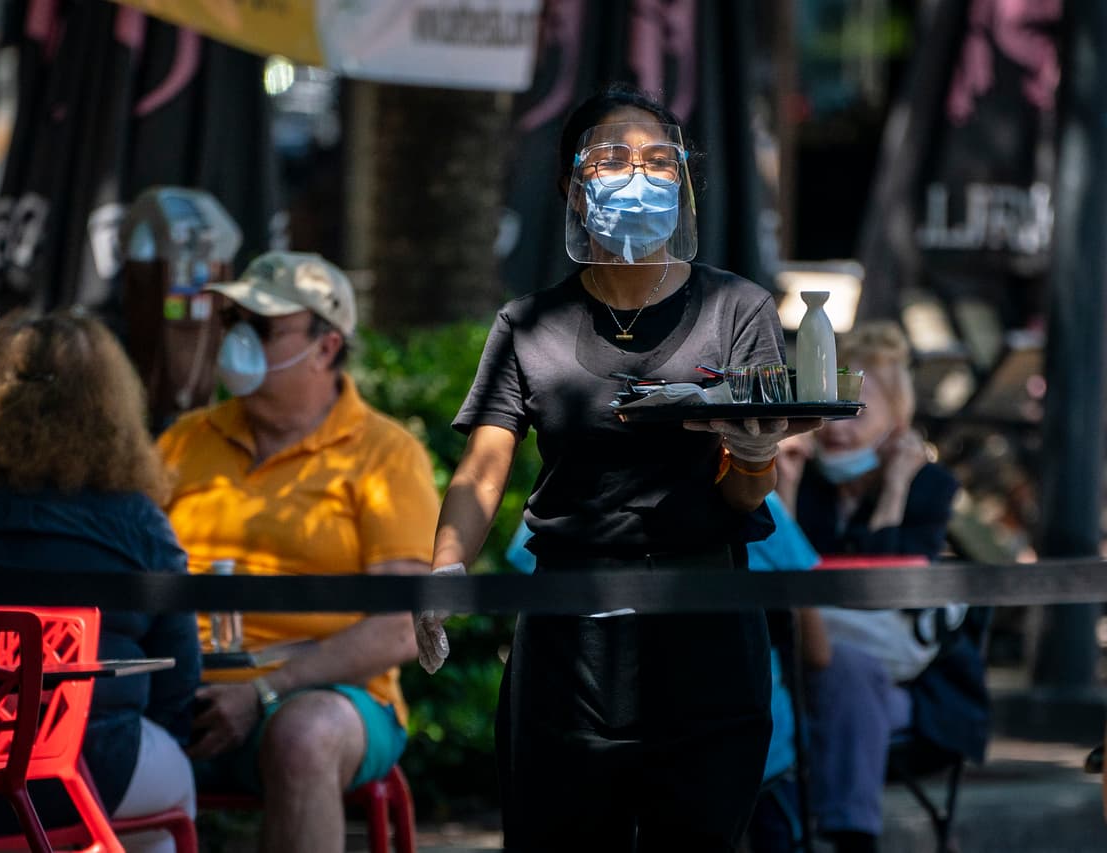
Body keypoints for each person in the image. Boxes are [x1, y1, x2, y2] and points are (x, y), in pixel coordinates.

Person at [414, 83, 822, 852]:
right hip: (570, 621)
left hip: (704, 612)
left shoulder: (738, 310)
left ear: (684, 181)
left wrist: (756, 456)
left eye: (659, 161)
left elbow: (741, 497)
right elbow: (484, 464)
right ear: (573, 184)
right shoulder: (529, 324)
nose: (637, 175)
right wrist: (444, 570)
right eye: (612, 159)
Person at [0, 310, 201, 853]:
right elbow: (178, 679)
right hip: (86, 778)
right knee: (171, 790)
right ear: (116, 407)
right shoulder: (139, 523)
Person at [157, 251, 440, 853]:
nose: (237, 338)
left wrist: (264, 692)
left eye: (261, 326)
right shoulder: (184, 441)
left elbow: (402, 628)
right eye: (232, 320)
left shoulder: (386, 454)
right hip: (182, 694)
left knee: (303, 736)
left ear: (326, 347)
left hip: (330, 700)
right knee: (83, 728)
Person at [776, 321, 972, 853]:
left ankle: (845, 835)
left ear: (897, 419)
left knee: (848, 672)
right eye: (832, 408)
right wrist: (784, 490)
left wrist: (895, 491)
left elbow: (885, 588)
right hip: (806, 667)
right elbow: (780, 571)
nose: (838, 427)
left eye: (857, 409)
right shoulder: (803, 476)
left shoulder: (930, 486)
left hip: (911, 687)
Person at [745, 483, 831, 853]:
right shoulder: (760, 505)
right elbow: (817, 652)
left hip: (612, 746)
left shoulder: (558, 508)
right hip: (760, 745)